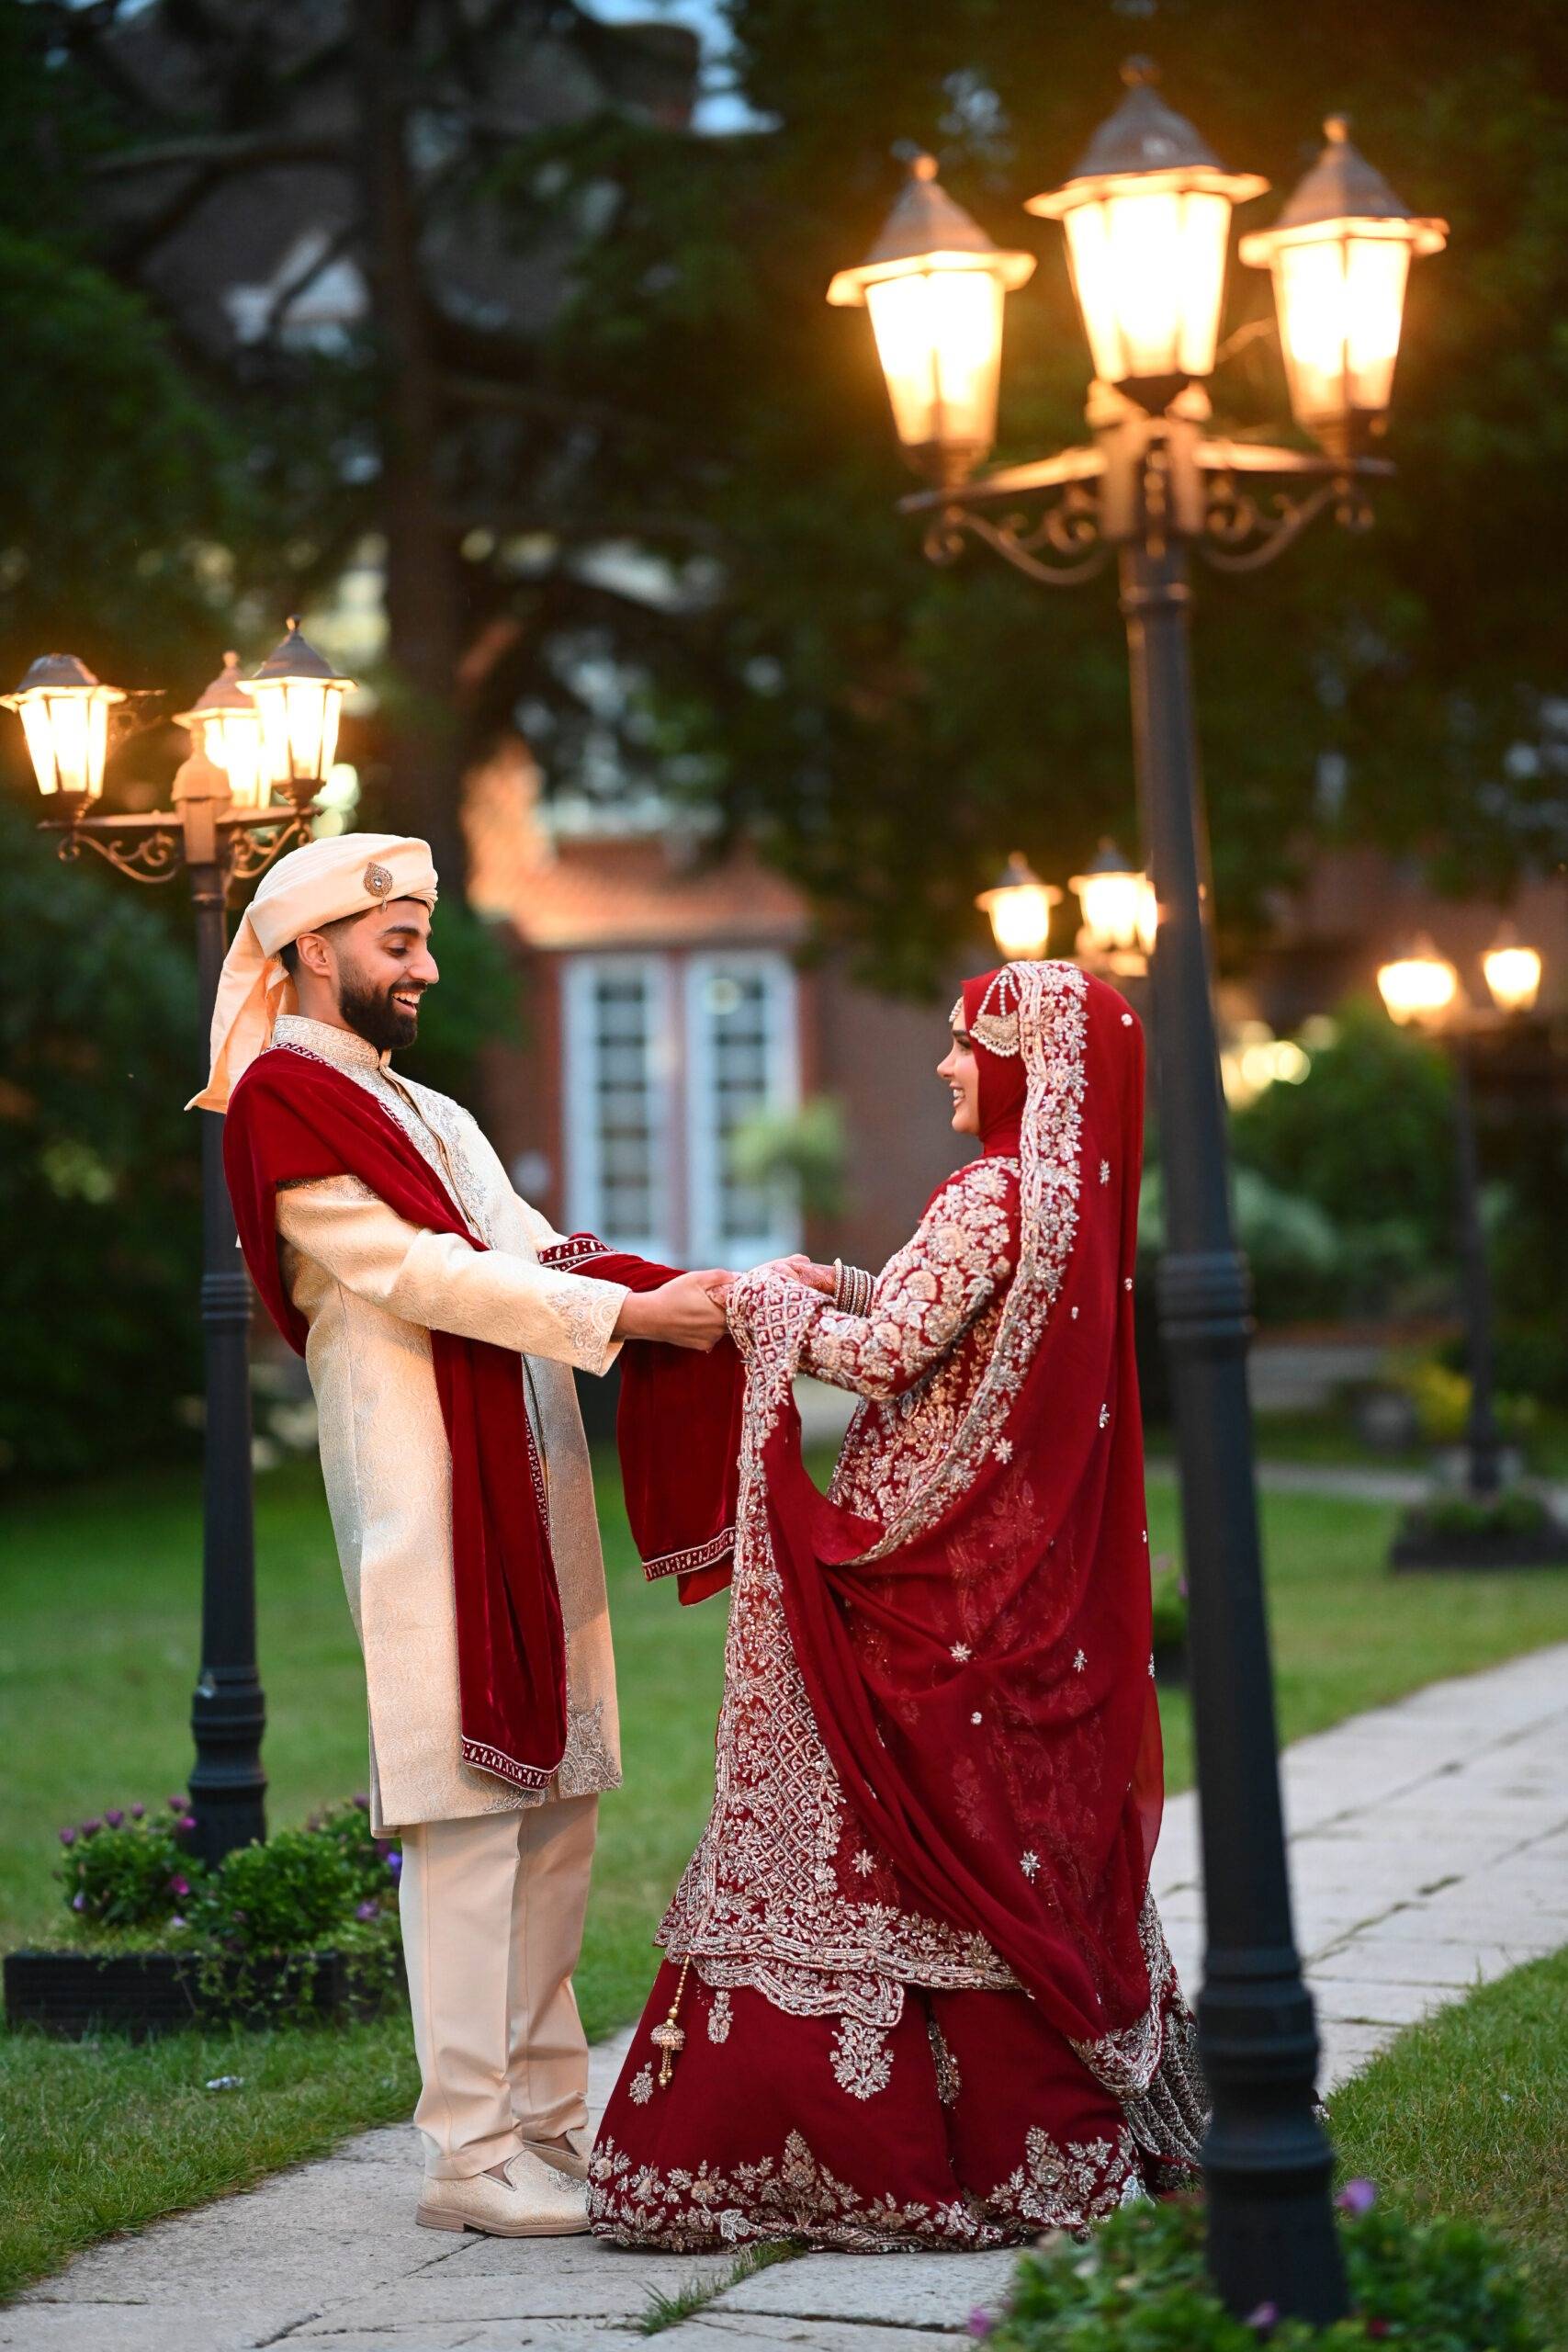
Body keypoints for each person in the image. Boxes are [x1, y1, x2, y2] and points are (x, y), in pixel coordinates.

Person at [589, 958, 1208, 2251]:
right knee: (998, 1818)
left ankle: (840, 2147)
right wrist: (849, 1281)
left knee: (876, 1819)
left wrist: (765, 1298)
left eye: (964, 1045)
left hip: (912, 1557)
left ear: (1025, 1065)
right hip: (1001, 1567)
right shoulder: (1065, 1198)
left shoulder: (986, 1193)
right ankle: (1059, 2127)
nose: (943, 1066)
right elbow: (955, 1327)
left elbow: (886, 1358)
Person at [197, 831, 730, 2240]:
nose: (424, 966)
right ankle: (468, 2151)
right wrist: (631, 1316)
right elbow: (412, 1271)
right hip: (428, 1496)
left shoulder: (428, 1111)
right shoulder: (280, 1103)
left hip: (528, 1479)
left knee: (557, 1813)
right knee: (465, 1820)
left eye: (424, 939)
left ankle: (547, 2125)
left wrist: (689, 1293)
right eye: (397, 944)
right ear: (315, 949)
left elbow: (526, 1246)